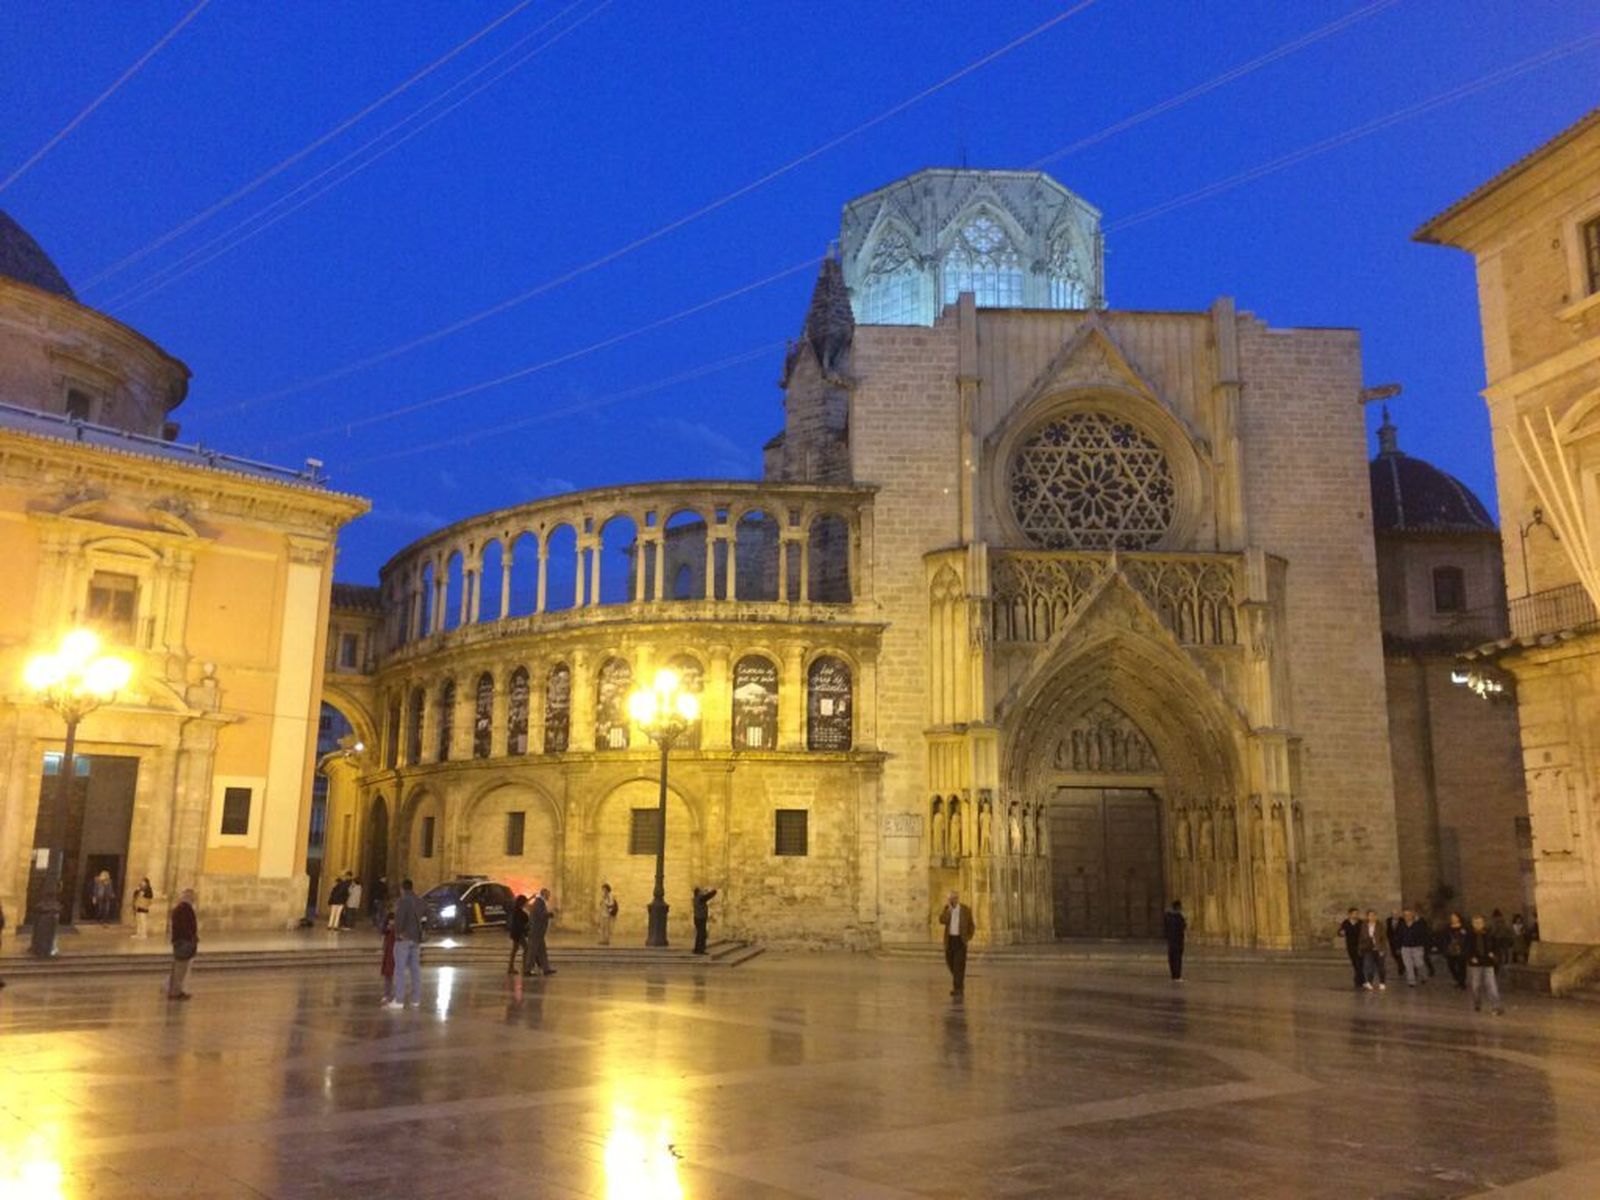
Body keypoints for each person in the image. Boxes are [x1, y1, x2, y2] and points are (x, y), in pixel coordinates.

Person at [385, 879, 424, 1009]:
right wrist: (423, 930)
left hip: (404, 939)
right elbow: (431, 915)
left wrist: (398, 933)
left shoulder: (403, 901)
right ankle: (416, 999)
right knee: (415, 969)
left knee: (400, 969)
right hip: (416, 939)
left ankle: (399, 1000)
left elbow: (399, 919)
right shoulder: (420, 900)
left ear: (402, 889)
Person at [1464, 913, 1504, 1015]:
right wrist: (1471, 957)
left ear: (1483, 923)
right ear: (1472, 924)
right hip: (1475, 964)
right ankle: (1477, 1003)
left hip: (1488, 963)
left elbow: (1496, 947)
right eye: (1476, 923)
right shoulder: (1469, 936)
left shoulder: (1489, 935)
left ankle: (1496, 1006)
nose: (1478, 925)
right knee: (1475, 985)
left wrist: (1493, 954)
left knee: (1491, 985)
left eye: (1480, 922)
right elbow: (1466, 949)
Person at [938, 890, 975, 999]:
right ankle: (959, 982)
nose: (951, 900)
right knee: (950, 963)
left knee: (959, 965)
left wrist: (968, 937)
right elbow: (942, 920)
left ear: (957, 899)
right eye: (950, 899)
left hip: (960, 940)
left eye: (953, 898)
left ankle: (958, 989)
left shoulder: (965, 910)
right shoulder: (947, 909)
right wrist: (948, 911)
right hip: (950, 940)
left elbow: (971, 925)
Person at [167, 889, 198, 1001]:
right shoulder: (184, 909)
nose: (194, 900)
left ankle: (175, 990)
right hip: (183, 942)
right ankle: (175, 992)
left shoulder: (180, 909)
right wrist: (191, 938)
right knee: (180, 969)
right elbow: (186, 927)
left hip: (180, 941)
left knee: (179, 969)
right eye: (193, 897)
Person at [525, 888, 555, 977]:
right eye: (548, 895)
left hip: (539, 932)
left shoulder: (539, 902)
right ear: (544, 894)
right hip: (536, 931)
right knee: (532, 951)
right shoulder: (539, 902)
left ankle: (546, 969)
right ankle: (528, 969)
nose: (549, 897)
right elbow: (540, 915)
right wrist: (549, 914)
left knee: (542, 951)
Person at [1359, 908, 1388, 991]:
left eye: (1373, 915)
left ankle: (1382, 982)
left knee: (1380, 966)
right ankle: (1370, 982)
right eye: (1370, 915)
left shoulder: (1380, 925)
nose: (1372, 917)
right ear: (1367, 917)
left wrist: (1383, 949)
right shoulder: (1364, 925)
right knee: (1369, 966)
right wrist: (1361, 946)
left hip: (1378, 948)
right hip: (1368, 948)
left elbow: (1384, 938)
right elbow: (1361, 937)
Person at [1399, 907, 1429, 987]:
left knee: (1419, 963)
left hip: (1417, 947)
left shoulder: (1418, 924)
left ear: (1412, 915)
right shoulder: (1402, 925)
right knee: (1408, 965)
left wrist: (1423, 945)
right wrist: (1399, 946)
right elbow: (1399, 936)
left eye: (1409, 915)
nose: (1407, 917)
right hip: (1405, 947)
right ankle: (1411, 981)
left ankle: (1424, 976)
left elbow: (1424, 935)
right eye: (1405, 915)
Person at [1337, 907, 1364, 990]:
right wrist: (1341, 933)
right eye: (1354, 913)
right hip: (1351, 946)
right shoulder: (1346, 922)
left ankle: (1358, 980)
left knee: (1360, 962)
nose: (1356, 915)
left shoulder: (1360, 922)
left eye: (1357, 913)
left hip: (1360, 945)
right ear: (1350, 914)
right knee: (1355, 963)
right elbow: (1340, 932)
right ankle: (1360, 979)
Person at [1162, 899, 1187, 983]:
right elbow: (1183, 927)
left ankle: (1173, 975)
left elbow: (1165, 928)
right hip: (1178, 941)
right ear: (1178, 907)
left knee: (1172, 959)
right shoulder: (1179, 917)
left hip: (1171, 941)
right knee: (1177, 959)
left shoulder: (1167, 917)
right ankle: (1177, 976)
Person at [1443, 912, 1468, 989]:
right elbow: (1444, 938)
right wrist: (1444, 947)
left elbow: (1467, 938)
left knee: (1461, 966)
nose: (1453, 919)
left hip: (1461, 949)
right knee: (1451, 965)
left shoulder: (1464, 928)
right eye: (1452, 917)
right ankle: (1457, 979)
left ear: (1458, 918)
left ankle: (1462, 982)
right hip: (1450, 949)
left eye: (1455, 917)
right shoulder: (1447, 928)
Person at [692, 886, 718, 955]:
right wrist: (714, 891)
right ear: (698, 893)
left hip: (697, 918)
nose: (702, 892)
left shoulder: (695, 898)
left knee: (699, 934)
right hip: (701, 918)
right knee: (702, 934)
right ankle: (700, 949)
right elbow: (708, 896)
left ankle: (697, 949)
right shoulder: (700, 898)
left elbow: (706, 896)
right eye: (701, 891)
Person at [507, 895, 529, 974]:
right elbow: (520, 923)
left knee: (515, 950)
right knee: (526, 948)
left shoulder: (516, 909)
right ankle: (524, 966)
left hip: (516, 932)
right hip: (518, 933)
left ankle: (510, 967)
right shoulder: (518, 911)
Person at [379, 910, 396, 1005]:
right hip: (389, 953)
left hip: (395, 953)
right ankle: (387, 995)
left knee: (393, 975)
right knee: (388, 975)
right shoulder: (388, 929)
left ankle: (392, 995)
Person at [598, 882, 618, 946]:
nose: (603, 890)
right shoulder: (603, 896)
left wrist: (605, 901)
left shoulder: (610, 896)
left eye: (604, 889)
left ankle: (607, 940)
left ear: (607, 889)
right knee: (602, 927)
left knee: (607, 928)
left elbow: (611, 904)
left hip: (608, 914)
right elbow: (601, 904)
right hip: (603, 914)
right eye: (603, 889)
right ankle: (602, 940)